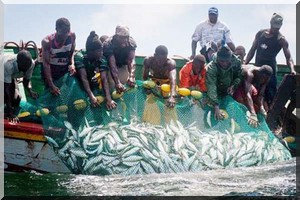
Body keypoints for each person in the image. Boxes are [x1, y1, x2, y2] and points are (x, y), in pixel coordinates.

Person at [244, 13, 296, 109]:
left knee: (271, 96)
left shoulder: (281, 40)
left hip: (270, 72)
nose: (276, 29)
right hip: (258, 69)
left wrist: (292, 69)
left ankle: (272, 118)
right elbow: (252, 50)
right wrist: (245, 63)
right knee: (254, 93)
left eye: (278, 28)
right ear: (270, 23)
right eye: (274, 26)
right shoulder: (260, 34)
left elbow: (289, 58)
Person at [75, 31, 117, 110]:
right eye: (99, 51)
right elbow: (83, 78)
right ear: (90, 52)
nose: (101, 53)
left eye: (102, 51)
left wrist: (108, 99)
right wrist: (91, 96)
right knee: (78, 106)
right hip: (77, 83)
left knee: (99, 99)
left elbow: (104, 79)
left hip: (91, 81)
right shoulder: (80, 57)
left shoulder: (102, 58)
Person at [41, 17, 76, 96]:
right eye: (63, 32)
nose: (65, 35)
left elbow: (72, 52)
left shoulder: (72, 36)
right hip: (51, 72)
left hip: (64, 70)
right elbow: (46, 64)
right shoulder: (47, 41)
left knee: (66, 95)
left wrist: (72, 64)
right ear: (56, 29)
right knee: (52, 94)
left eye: (67, 32)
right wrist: (51, 84)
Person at [206, 46, 242, 120]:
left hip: (228, 91)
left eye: (227, 61)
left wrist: (234, 85)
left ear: (230, 58)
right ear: (218, 58)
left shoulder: (236, 61)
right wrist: (216, 105)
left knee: (228, 116)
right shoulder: (211, 67)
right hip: (215, 92)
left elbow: (239, 76)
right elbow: (211, 86)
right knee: (212, 116)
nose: (224, 64)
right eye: (222, 61)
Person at [2, 50, 38, 123]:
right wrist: (11, 113)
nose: (26, 68)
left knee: (17, 99)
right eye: (24, 66)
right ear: (17, 62)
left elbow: (26, 81)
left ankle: (8, 111)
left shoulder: (31, 64)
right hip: (2, 72)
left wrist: (30, 91)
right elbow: (6, 90)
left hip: (10, 76)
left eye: (28, 66)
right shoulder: (8, 65)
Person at [103, 25, 137, 93]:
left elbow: (130, 60)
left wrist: (131, 76)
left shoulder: (131, 43)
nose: (125, 40)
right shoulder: (108, 44)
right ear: (116, 36)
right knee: (113, 86)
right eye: (122, 38)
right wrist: (117, 82)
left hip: (124, 65)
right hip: (110, 66)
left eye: (126, 37)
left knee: (129, 85)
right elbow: (113, 66)